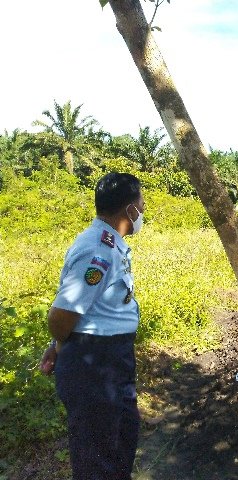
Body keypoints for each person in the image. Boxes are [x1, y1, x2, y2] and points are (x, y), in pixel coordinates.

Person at [39, 172, 145, 480]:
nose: (144, 211)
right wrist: (63, 345)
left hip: (111, 359)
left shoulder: (112, 244)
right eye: (141, 204)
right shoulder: (98, 250)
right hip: (95, 365)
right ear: (129, 210)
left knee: (120, 442)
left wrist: (59, 348)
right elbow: (61, 317)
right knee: (96, 458)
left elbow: (89, 312)